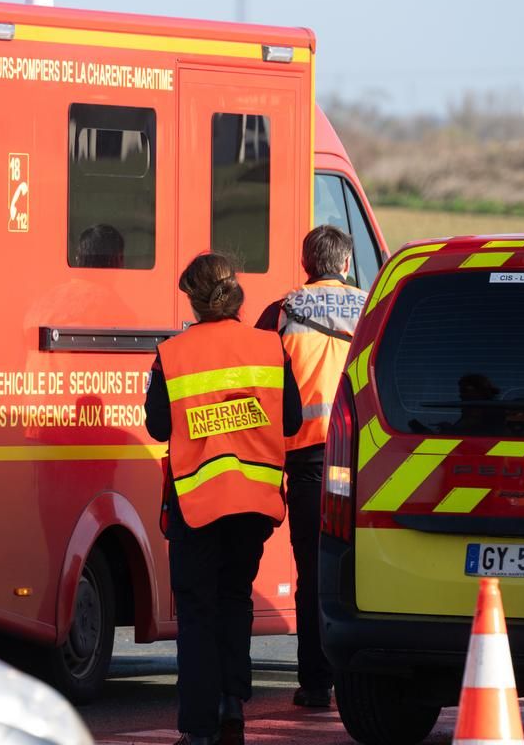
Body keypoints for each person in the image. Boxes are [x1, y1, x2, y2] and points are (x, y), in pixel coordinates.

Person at [145, 252, 302, 745]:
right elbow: (292, 420)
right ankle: (232, 706)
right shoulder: (271, 347)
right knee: (235, 600)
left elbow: (157, 426)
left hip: (197, 504)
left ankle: (199, 728)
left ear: (193, 300)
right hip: (253, 503)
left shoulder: (173, 354)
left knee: (197, 611)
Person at [255, 225, 368, 709]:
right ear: (345, 264)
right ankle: (361, 680)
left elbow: (257, 383)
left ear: (306, 264)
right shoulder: (371, 307)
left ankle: (316, 683)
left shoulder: (282, 312)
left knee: (311, 571)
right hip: (364, 462)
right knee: (360, 570)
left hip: (305, 462)